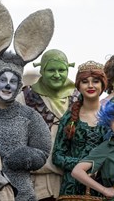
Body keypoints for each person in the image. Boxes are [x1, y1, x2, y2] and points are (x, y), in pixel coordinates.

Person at [0, 0, 53, 200]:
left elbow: (43, 150)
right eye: (3, 80)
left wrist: (26, 157)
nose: (8, 85)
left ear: (19, 84)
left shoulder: (29, 116)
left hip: (20, 192)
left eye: (13, 81)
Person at [23, 49, 79, 201]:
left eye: (61, 70)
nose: (57, 75)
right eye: (51, 70)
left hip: (72, 180)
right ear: (42, 70)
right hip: (37, 181)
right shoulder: (26, 97)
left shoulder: (79, 97)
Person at [52, 60, 108, 197]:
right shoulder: (69, 118)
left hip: (102, 187)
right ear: (78, 85)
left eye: (95, 81)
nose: (90, 85)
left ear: (103, 85)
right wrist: (83, 165)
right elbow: (57, 156)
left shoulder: (111, 118)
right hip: (72, 188)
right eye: (85, 81)